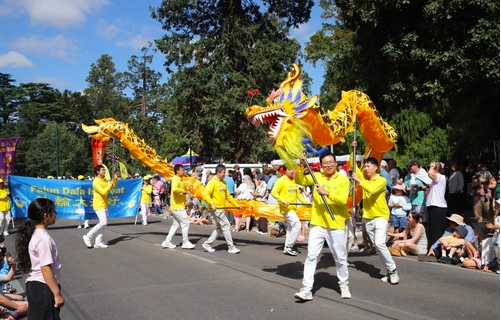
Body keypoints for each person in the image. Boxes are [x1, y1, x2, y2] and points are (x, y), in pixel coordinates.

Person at [294, 151, 352, 300]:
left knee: (339, 257)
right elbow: (299, 180)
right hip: (318, 224)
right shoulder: (316, 177)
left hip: (336, 224)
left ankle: (344, 285)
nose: (328, 165)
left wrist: (326, 193)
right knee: (311, 256)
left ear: (335, 163)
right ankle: (306, 289)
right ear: (321, 165)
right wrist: (301, 164)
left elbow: (343, 200)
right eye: (325, 163)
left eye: (330, 162)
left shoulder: (343, 179)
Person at [350, 142, 400, 285]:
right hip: (368, 217)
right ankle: (389, 270)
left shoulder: (382, 180)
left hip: (380, 215)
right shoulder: (364, 178)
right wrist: (353, 149)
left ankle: (392, 269)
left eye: (368, 166)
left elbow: (371, 190)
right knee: (377, 246)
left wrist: (359, 180)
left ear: (376, 167)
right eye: (364, 166)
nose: (365, 168)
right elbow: (354, 166)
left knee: (379, 243)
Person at [15, 198, 64, 319]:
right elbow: (45, 268)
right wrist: (57, 293)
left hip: (36, 286)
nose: (55, 214)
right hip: (43, 287)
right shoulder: (44, 239)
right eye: (54, 211)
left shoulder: (34, 233)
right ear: (45, 215)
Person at [201, 164, 242, 254]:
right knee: (226, 225)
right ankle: (231, 247)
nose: (225, 175)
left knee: (219, 228)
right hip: (215, 209)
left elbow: (228, 196)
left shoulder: (223, 182)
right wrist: (212, 203)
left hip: (221, 208)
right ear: (218, 172)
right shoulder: (212, 182)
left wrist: (236, 204)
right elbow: (205, 194)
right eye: (223, 173)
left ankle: (207, 243)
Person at [271, 165, 310, 256]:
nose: (292, 171)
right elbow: (274, 192)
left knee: (291, 228)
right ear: (284, 171)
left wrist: (306, 202)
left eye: (292, 169)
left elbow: (298, 195)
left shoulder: (293, 180)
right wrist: (282, 200)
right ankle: (289, 246)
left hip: (293, 208)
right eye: (289, 169)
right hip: (286, 209)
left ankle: (287, 247)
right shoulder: (281, 181)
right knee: (297, 225)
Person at [82, 165, 118, 249]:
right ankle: (88, 236)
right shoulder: (96, 182)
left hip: (105, 204)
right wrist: (110, 184)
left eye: (104, 170)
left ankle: (98, 242)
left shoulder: (104, 180)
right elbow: (103, 191)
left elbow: (113, 186)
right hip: (98, 205)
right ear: (98, 171)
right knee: (103, 222)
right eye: (103, 170)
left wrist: (115, 179)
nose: (104, 171)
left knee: (104, 224)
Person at [161, 165, 195, 249]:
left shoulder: (180, 179)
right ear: (177, 171)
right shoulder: (176, 179)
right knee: (186, 222)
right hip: (177, 206)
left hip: (178, 205)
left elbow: (181, 191)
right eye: (182, 170)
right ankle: (185, 242)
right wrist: (183, 192)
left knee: (176, 225)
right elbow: (175, 189)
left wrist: (187, 193)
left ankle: (167, 241)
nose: (183, 171)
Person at [427, 161, 448, 249]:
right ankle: (433, 248)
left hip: (438, 206)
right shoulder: (438, 178)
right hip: (433, 206)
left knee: (436, 230)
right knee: (433, 229)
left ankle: (436, 249)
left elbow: (430, 173)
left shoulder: (440, 177)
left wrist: (432, 166)